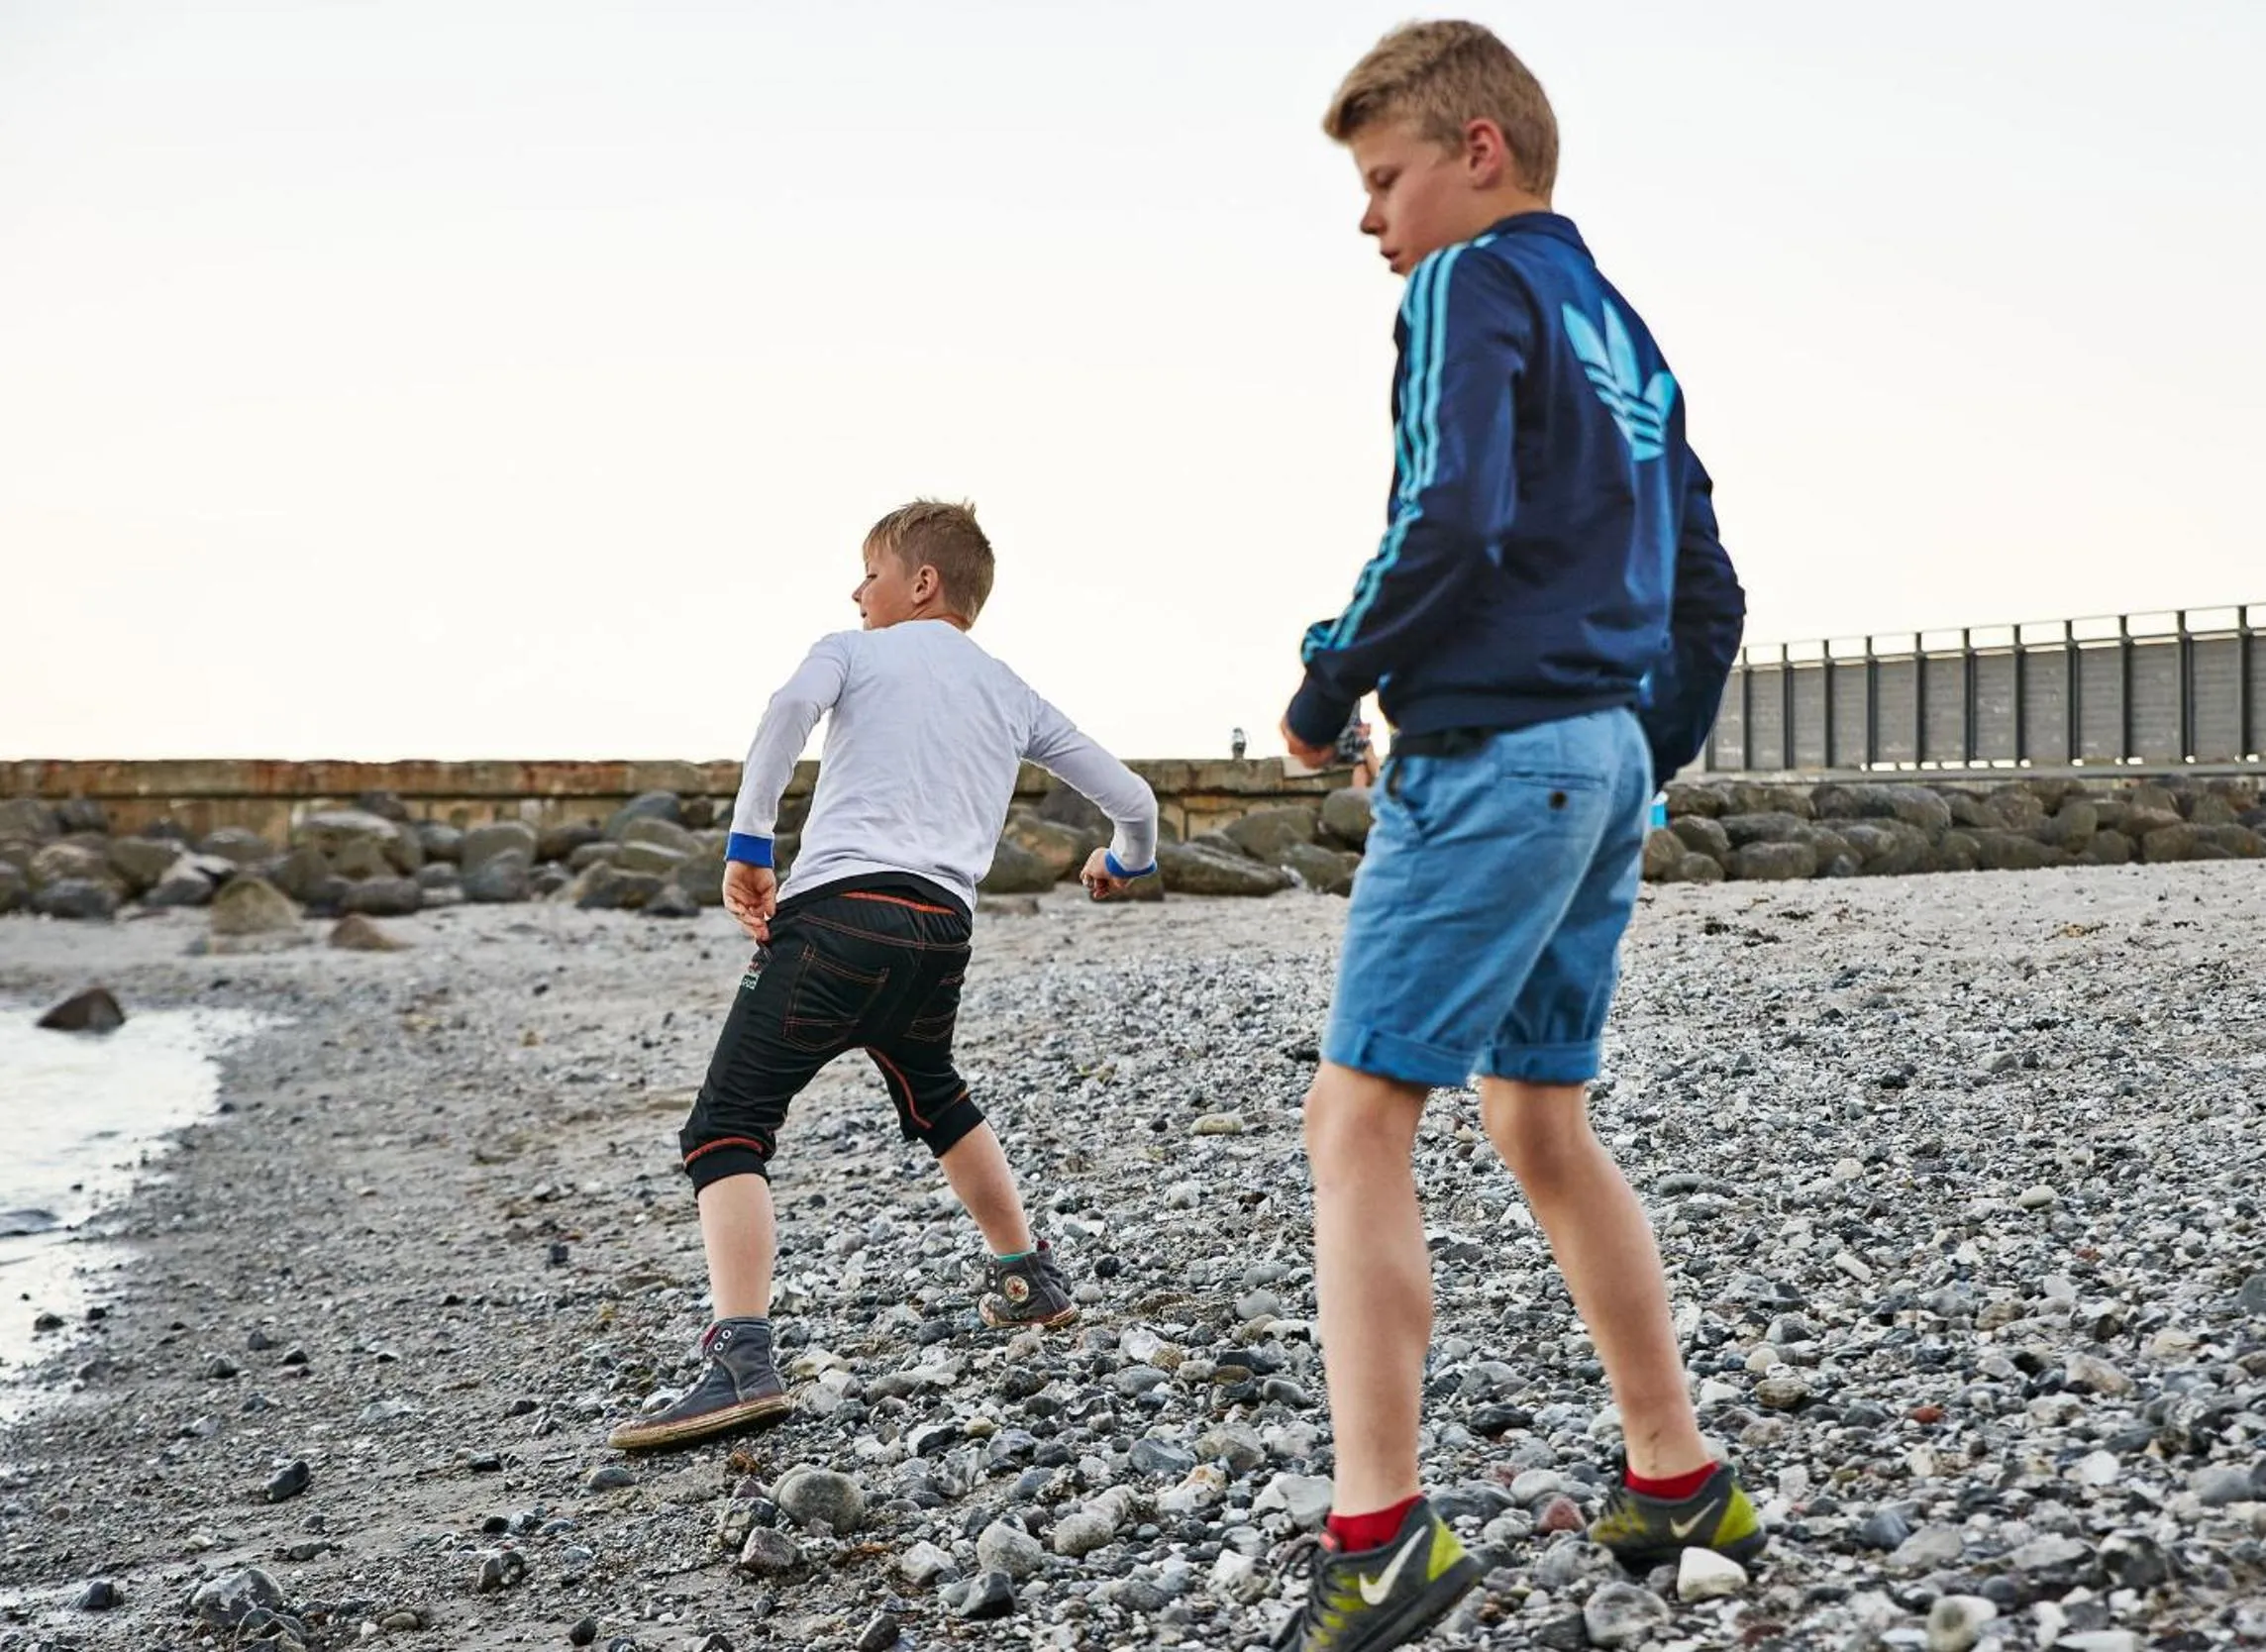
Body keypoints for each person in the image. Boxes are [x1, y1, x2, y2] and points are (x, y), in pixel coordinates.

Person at [1272, 23, 1754, 1649]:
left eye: (1383, 178)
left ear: (1480, 150)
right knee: (1541, 1124)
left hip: (1491, 757)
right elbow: (1711, 592)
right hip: (1604, 757)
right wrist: (1639, 751)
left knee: (1358, 1116)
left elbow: (1452, 510)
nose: (1371, 221)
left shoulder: (1467, 288)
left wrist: (1332, 678)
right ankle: (1677, 1477)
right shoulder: (1622, 328)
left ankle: (1381, 1530)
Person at [609, 499, 1159, 1453]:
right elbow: (1135, 800)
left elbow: (787, 710)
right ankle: (1027, 1277)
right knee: (936, 1093)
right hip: (939, 930)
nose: (855, 592)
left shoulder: (853, 651)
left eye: (868, 573)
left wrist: (748, 843)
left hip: (836, 921)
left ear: (921, 583)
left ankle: (741, 1354)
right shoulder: (1010, 690)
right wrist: (1124, 861)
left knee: (726, 1127)